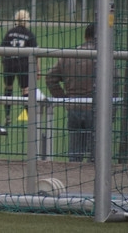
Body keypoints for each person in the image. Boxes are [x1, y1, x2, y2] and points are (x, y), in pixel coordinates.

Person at [46, 24, 97, 162]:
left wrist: (64, 99)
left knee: (74, 156)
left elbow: (50, 78)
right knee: (96, 156)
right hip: (95, 107)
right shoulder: (103, 57)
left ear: (85, 36)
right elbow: (114, 82)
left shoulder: (69, 55)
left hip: (74, 106)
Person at [1, 9, 38, 125]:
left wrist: (3, 63)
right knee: (26, 90)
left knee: (8, 88)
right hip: (23, 65)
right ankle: (29, 116)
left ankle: (7, 116)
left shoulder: (10, 33)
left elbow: (2, 49)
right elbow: (36, 54)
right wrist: (38, 70)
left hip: (9, 64)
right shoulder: (29, 34)